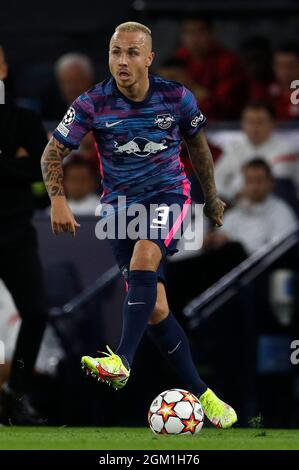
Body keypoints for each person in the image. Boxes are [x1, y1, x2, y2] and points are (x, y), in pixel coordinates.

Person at [41, 21, 237, 429]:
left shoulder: (176, 97)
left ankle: (122, 360)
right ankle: (207, 396)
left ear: (149, 58)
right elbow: (50, 155)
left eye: (132, 53)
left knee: (147, 255)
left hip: (169, 197)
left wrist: (211, 194)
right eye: (116, 52)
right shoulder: (92, 102)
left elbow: (196, 145)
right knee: (155, 309)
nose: (123, 60)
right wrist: (58, 200)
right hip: (119, 210)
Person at [0, 44, 48, 424]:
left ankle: (15, 393)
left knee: (36, 311)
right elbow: (26, 168)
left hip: (15, 230)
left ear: (3, 67)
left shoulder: (24, 120)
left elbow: (43, 169)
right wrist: (11, 161)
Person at [214, 101, 299, 202]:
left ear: (273, 123)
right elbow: (215, 181)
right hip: (238, 207)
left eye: (260, 122)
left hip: (276, 208)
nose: (254, 127)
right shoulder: (234, 151)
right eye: (250, 122)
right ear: (243, 124)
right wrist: (232, 194)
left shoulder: (288, 150)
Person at [175, 16, 248, 120]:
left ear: (211, 34)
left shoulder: (227, 61)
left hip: (220, 125)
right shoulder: (179, 58)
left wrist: (194, 91)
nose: (194, 39)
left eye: (200, 32)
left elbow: (224, 105)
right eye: (189, 32)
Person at [252, 43, 299, 120]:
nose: (285, 72)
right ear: (273, 67)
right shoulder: (264, 91)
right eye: (280, 66)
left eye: (291, 66)